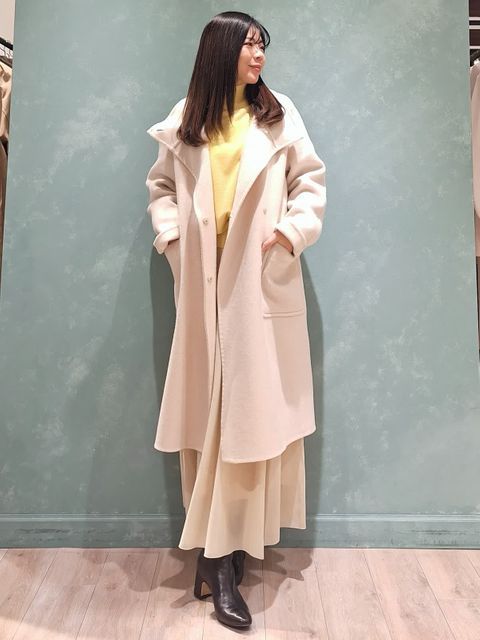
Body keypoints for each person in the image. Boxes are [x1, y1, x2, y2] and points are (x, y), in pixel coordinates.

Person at [145, 10, 327, 630]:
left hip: (258, 283)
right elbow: (161, 189)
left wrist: (290, 232)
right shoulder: (187, 119)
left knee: (248, 422)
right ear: (221, 51)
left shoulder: (278, 115)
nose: (259, 56)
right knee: (212, 420)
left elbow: (311, 182)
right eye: (250, 45)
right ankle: (220, 558)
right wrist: (172, 240)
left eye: (261, 46)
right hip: (203, 282)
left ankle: (222, 555)